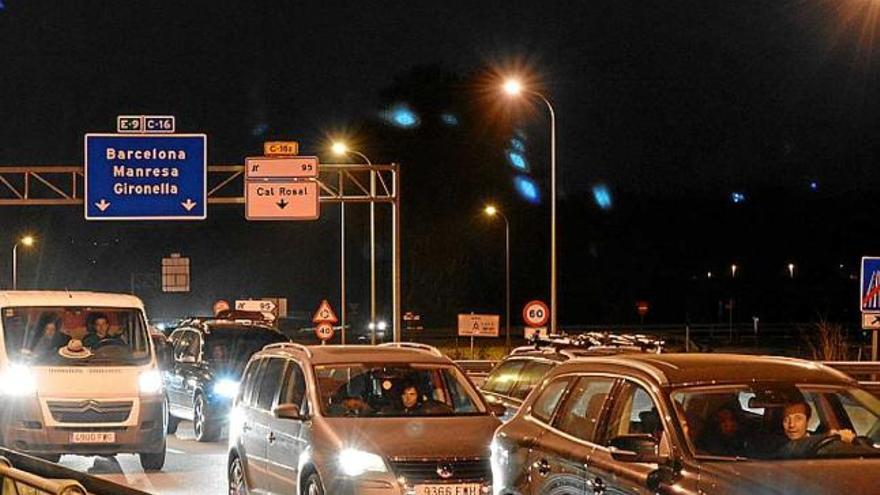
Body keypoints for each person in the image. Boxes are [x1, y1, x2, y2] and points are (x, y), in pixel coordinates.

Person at [775, 400, 858, 458]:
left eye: (798, 419)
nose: (791, 425)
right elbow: (793, 448)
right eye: (786, 419)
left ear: (807, 420)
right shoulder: (777, 443)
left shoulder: (818, 439)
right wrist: (829, 436)